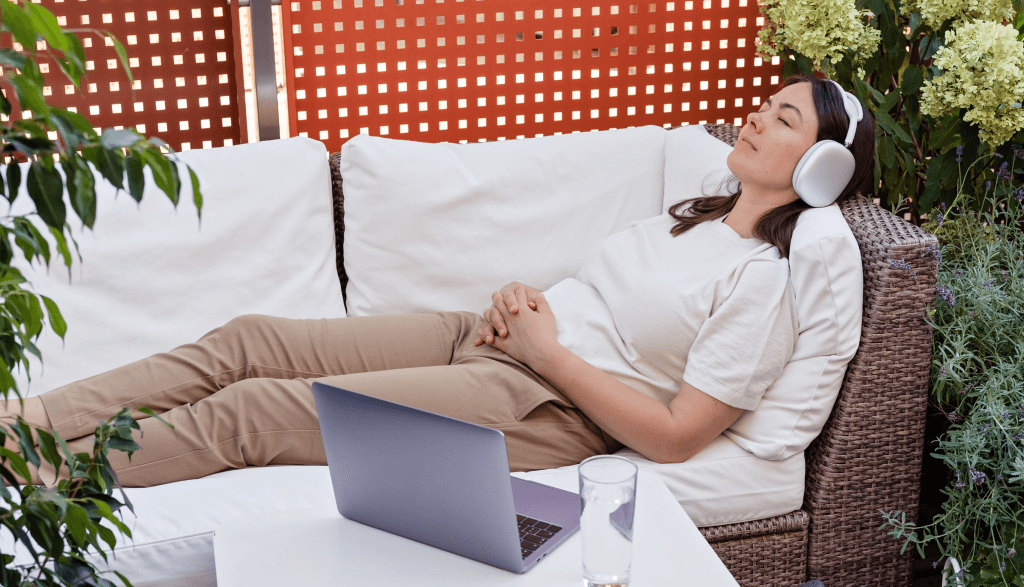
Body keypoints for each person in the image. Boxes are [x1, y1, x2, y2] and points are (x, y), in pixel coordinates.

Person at [2, 74, 875, 488]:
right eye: (766, 104)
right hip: (493, 338)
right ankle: (31, 422)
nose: (756, 117)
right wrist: (526, 301)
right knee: (249, 341)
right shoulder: (695, 213)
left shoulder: (765, 283)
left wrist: (547, 352)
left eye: (783, 117)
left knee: (256, 412)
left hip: (550, 407)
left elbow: (679, 436)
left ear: (824, 167)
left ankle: (43, 482)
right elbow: (607, 297)